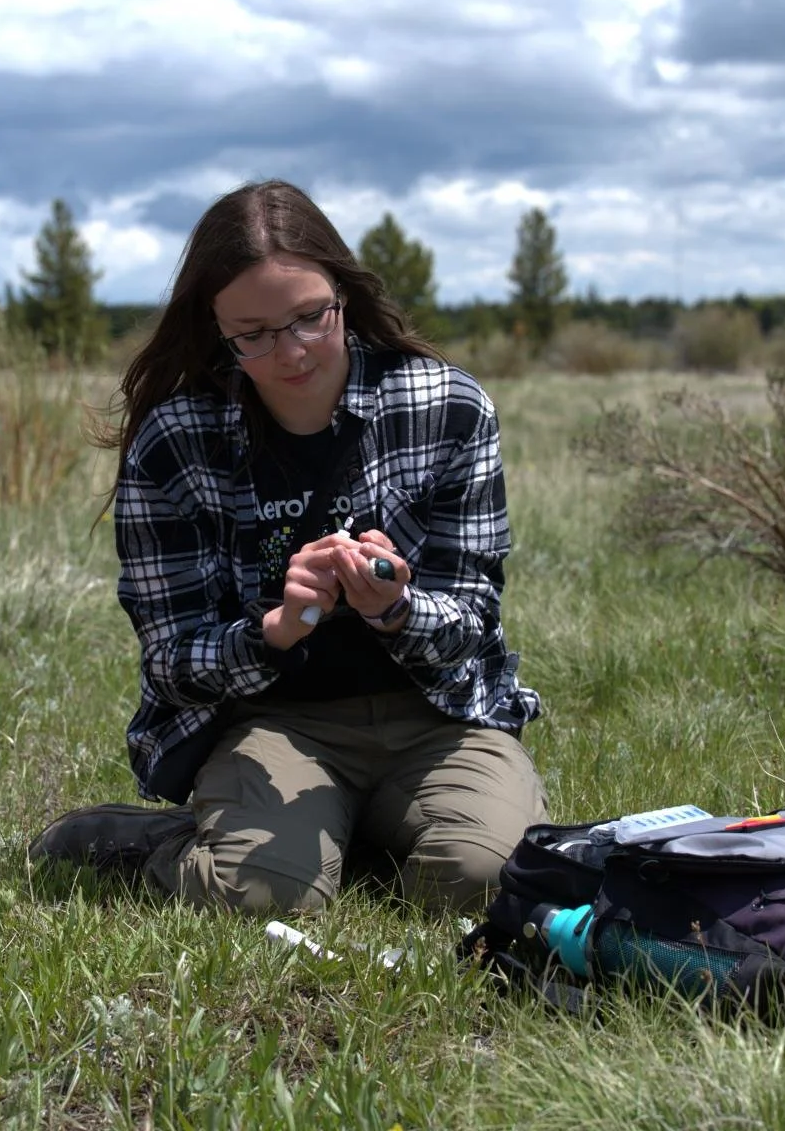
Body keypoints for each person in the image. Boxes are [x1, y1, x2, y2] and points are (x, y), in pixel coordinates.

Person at [29, 179, 547, 914]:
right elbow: (171, 660)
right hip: (273, 722)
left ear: (343, 291)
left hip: (437, 716)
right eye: (255, 333)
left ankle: (335, 833)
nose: (293, 350)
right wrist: (272, 632)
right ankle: (161, 844)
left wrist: (397, 608)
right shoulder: (176, 441)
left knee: (485, 880)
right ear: (215, 328)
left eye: (312, 317)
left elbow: (474, 624)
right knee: (266, 894)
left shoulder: (446, 407)